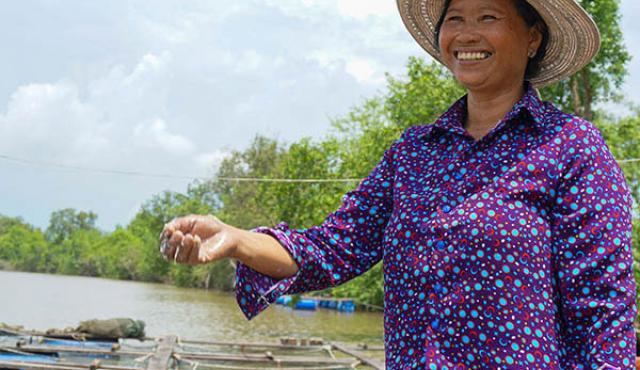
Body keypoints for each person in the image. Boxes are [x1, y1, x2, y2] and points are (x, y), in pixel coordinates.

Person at [160, 0, 638, 368]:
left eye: (488, 16)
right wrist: (237, 240)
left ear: (532, 36)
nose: (466, 34)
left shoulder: (571, 147)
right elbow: (332, 248)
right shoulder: (414, 152)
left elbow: (603, 310)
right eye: (454, 18)